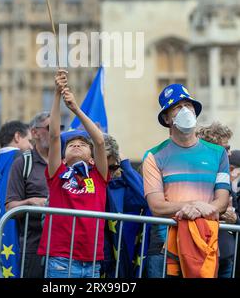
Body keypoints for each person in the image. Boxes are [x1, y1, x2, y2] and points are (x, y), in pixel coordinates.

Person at [143, 83, 230, 278]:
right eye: (177, 107)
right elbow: (157, 206)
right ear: (167, 118)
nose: (185, 110)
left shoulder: (218, 154)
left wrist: (200, 208)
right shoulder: (153, 156)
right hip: (166, 247)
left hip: (206, 242)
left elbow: (222, 201)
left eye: (188, 105)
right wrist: (195, 205)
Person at [37, 70, 108, 278]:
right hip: (60, 259)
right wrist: (58, 94)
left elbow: (100, 141)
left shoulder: (98, 176)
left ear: (92, 159)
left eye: (82, 145)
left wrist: (75, 108)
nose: (76, 145)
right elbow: (54, 137)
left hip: (92, 260)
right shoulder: (58, 174)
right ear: (64, 158)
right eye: (72, 145)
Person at [5, 112, 50, 278]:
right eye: (49, 127)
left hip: (66, 249)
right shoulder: (23, 163)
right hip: (34, 248)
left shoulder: (66, 162)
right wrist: (31, 202)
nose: (55, 132)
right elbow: (10, 207)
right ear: (34, 132)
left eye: (59, 127)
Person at [102, 134, 150, 278]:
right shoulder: (85, 181)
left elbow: (145, 199)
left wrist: (126, 165)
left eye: (112, 167)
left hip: (121, 256)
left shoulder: (122, 183)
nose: (108, 173)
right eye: (103, 166)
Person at [196, 122, 240, 278]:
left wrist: (235, 219)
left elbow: (234, 212)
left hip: (225, 255)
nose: (229, 154)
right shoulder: (196, 175)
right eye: (226, 148)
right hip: (201, 254)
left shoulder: (224, 176)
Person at [0, 120, 33, 278]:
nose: (32, 146)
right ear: (17, 136)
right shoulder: (21, 158)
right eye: (29, 141)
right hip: (11, 224)